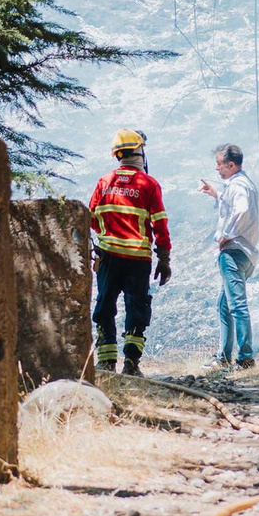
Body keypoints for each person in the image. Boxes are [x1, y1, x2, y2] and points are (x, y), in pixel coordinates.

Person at [88, 128, 172, 377]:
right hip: (138, 259)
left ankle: (105, 363)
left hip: (108, 257)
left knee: (105, 306)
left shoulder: (104, 182)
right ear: (139, 152)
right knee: (137, 307)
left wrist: (109, 233)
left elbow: (91, 218)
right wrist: (164, 258)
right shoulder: (149, 184)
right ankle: (132, 364)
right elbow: (160, 225)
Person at [197, 143, 259, 370]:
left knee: (236, 306)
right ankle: (223, 356)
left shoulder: (238, 185)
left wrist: (226, 235)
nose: (217, 169)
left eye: (219, 164)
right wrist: (216, 194)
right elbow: (234, 205)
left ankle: (245, 358)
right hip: (245, 252)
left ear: (231, 164)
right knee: (225, 306)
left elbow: (240, 210)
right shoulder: (243, 183)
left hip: (233, 251)